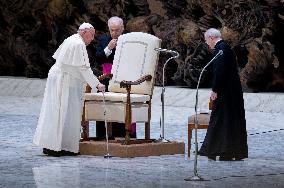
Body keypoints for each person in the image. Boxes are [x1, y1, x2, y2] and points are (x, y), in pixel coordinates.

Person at [33, 22, 105, 157]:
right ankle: (60, 147)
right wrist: (97, 84)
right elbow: (83, 68)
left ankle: (51, 146)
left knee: (55, 112)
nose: (92, 38)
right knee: (64, 112)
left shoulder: (71, 39)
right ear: (83, 32)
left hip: (59, 77)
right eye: (91, 35)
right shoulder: (78, 44)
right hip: (64, 80)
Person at [198, 28, 248, 161]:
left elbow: (220, 72)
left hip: (225, 92)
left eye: (206, 40)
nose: (207, 43)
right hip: (233, 91)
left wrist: (215, 90)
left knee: (220, 119)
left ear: (211, 38)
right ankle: (230, 151)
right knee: (230, 121)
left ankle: (214, 150)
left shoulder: (220, 50)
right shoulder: (226, 48)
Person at [95, 16, 136, 138]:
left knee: (123, 107)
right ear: (108, 29)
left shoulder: (130, 39)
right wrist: (108, 48)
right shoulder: (103, 39)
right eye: (112, 30)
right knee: (104, 107)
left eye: (117, 30)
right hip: (107, 79)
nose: (114, 33)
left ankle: (124, 135)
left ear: (123, 28)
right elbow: (98, 58)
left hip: (125, 78)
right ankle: (103, 136)